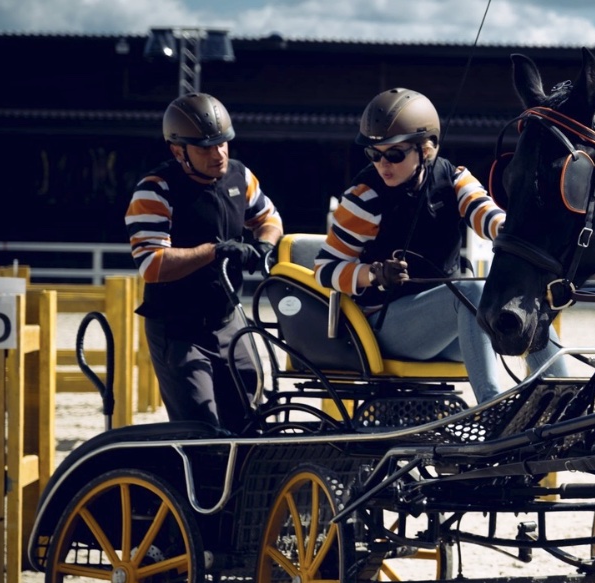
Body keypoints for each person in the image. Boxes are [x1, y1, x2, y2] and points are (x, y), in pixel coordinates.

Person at [314, 87, 568, 404]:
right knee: (471, 291)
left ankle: (565, 399)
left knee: (521, 304)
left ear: (428, 149)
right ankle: (491, 407)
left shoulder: (455, 179)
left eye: (394, 154)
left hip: (450, 329)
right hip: (386, 329)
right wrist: (373, 274)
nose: (383, 164)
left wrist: (515, 233)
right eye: (374, 154)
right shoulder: (363, 199)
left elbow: (488, 216)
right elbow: (325, 271)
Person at [125, 92, 284, 432]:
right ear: (177, 150)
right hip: (179, 329)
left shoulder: (240, 176)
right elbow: (152, 264)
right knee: (201, 428)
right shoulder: (155, 190)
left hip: (228, 322)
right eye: (205, 147)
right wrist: (215, 251)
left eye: (223, 143)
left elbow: (270, 219)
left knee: (252, 417)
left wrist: (263, 245)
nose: (218, 153)